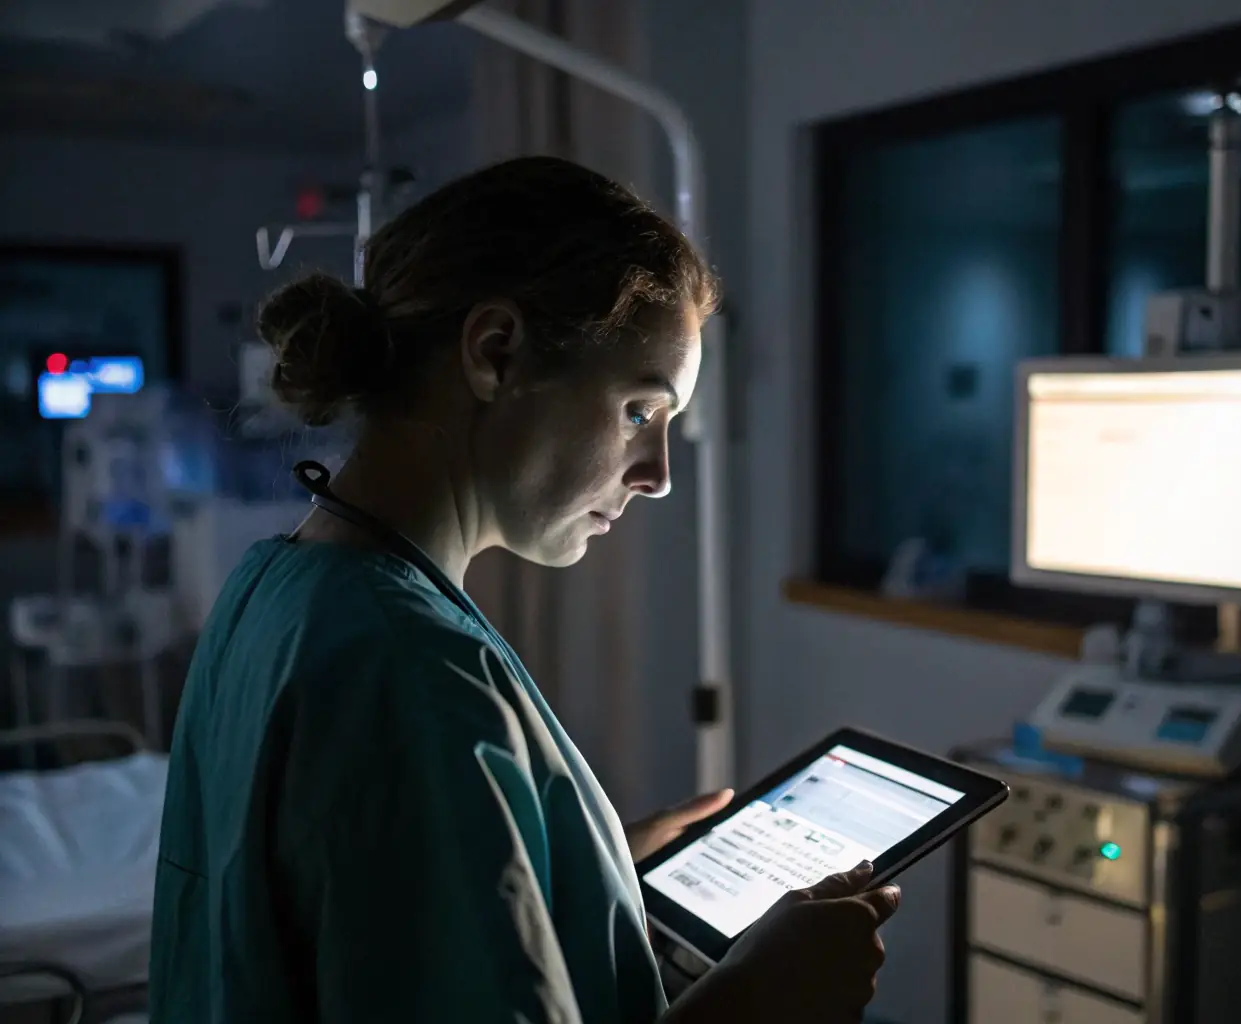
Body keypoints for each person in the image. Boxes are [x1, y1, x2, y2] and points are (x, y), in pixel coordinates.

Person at [148, 155, 900, 1024]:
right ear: (495, 353)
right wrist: (758, 1001)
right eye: (638, 412)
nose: (656, 474)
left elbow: (345, 900)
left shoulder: (271, 588)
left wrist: (581, 863)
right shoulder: (415, 670)